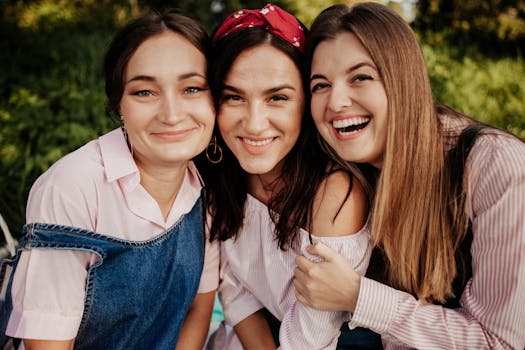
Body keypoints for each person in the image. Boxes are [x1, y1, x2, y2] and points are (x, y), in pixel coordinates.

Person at [293, 2, 525, 349]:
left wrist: (357, 296)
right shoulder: (339, 175)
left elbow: (501, 342)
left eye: (361, 77)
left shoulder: (497, 166)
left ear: (403, 81)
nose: (336, 102)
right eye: (320, 85)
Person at [0, 8, 219, 350]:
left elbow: (198, 311)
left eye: (192, 88)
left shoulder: (209, 188)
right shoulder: (72, 187)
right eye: (144, 92)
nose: (172, 114)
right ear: (119, 103)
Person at [197, 4, 381, 349]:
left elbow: (312, 339)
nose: (253, 123)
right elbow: (235, 289)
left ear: (307, 102)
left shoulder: (335, 194)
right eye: (234, 97)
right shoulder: (221, 175)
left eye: (277, 97)